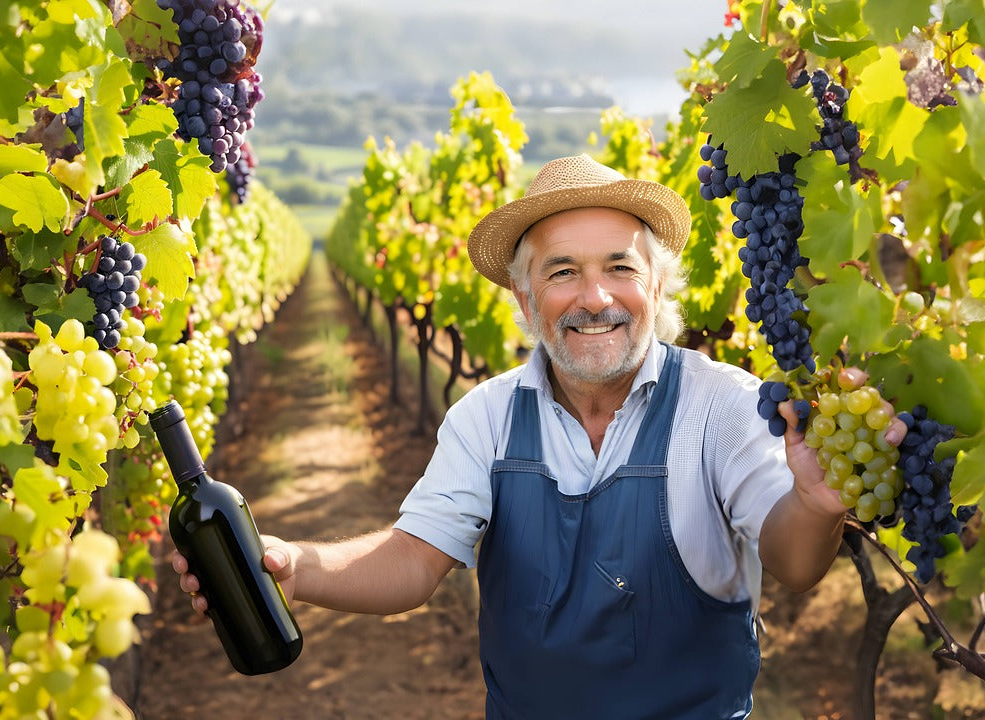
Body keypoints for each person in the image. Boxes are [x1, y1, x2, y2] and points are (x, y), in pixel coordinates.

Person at [171, 154, 906, 718]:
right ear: (525, 298)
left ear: (656, 286)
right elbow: (414, 559)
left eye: (620, 268)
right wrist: (297, 567)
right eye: (562, 273)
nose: (594, 298)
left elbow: (794, 563)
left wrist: (815, 504)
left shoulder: (720, 404)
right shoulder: (485, 417)